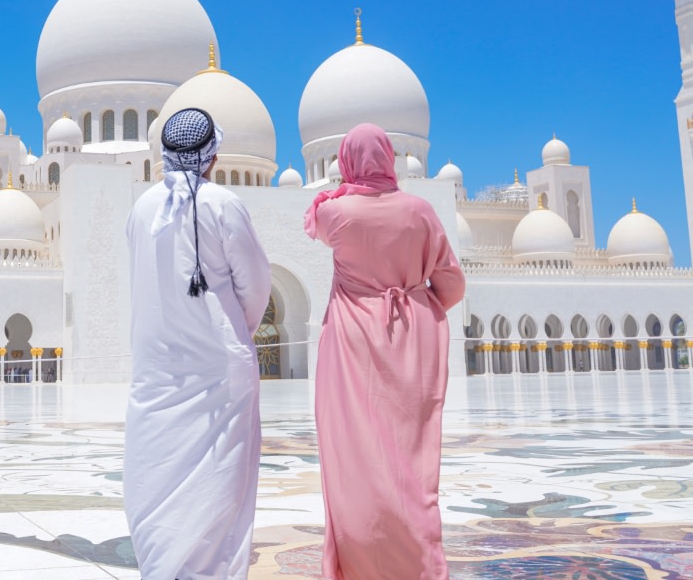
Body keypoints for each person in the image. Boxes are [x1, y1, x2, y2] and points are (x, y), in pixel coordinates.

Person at [304, 123, 466, 580]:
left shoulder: (336, 214)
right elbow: (451, 283)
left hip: (352, 344)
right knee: (412, 457)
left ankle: (358, 563)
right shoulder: (420, 211)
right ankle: (420, 565)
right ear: (391, 159)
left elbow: (314, 221)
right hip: (414, 342)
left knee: (356, 454)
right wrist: (416, 303)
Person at [124, 107, 272, 580]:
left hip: (156, 370)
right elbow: (256, 285)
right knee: (220, 482)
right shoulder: (223, 204)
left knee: (155, 472)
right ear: (212, 154)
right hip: (219, 376)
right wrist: (233, 333)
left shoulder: (141, 208)